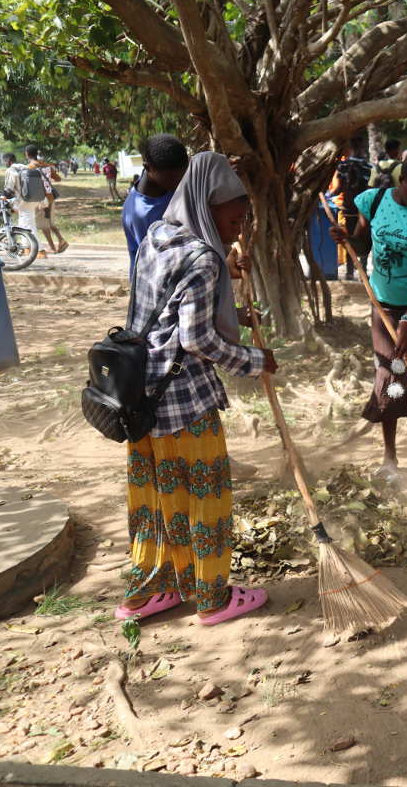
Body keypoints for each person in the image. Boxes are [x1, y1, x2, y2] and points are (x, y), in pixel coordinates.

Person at [116, 151, 277, 626]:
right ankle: (212, 597)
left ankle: (149, 592)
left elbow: (163, 310)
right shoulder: (205, 258)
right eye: (233, 219)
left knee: (157, 498)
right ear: (208, 208)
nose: (238, 230)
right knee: (206, 497)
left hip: (139, 396)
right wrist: (254, 360)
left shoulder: (157, 235)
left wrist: (237, 315)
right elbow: (196, 338)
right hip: (183, 400)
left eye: (244, 220)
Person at [330, 153, 407, 492]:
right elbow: (362, 242)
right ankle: (389, 458)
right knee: (389, 377)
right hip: (382, 307)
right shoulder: (375, 200)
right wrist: (345, 239)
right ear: (402, 182)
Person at [122, 134, 189, 275]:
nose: (179, 182)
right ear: (148, 168)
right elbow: (162, 262)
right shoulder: (140, 213)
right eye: (173, 177)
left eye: (182, 176)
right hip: (155, 284)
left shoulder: (169, 186)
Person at [327, 135, 373, 280]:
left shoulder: (343, 165)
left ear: (349, 147)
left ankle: (349, 272)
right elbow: (369, 188)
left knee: (348, 238)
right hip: (363, 210)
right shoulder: (367, 166)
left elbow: (339, 188)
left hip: (348, 209)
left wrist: (327, 195)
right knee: (364, 238)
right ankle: (363, 271)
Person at [24, 145, 67, 255]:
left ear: (27, 154)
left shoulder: (29, 167)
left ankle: (55, 245)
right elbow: (58, 178)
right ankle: (58, 242)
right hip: (50, 197)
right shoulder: (47, 166)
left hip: (39, 199)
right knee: (48, 222)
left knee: (43, 224)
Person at [1, 152, 44, 239]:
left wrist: (3, 196)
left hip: (24, 200)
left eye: (4, 161)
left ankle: (39, 250)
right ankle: (27, 248)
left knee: (26, 225)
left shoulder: (11, 170)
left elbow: (9, 188)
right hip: (34, 198)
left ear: (8, 161)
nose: (4, 163)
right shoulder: (24, 167)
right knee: (27, 223)